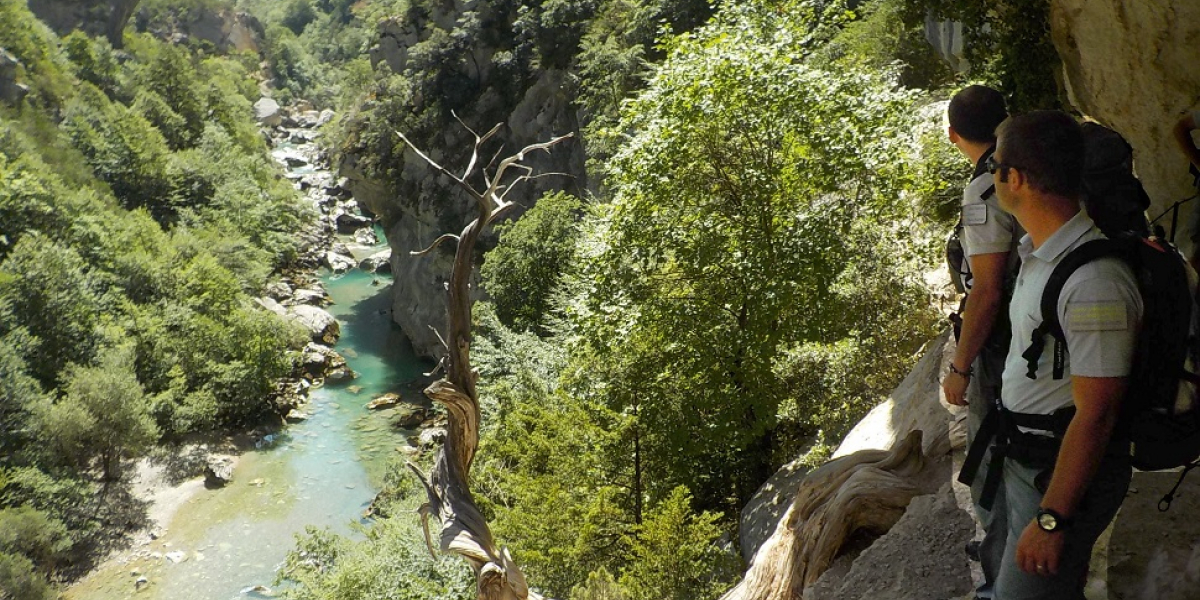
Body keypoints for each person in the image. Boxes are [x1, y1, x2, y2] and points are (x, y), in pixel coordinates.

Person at [988, 110, 1141, 599]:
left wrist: (1052, 519)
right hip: (1028, 461)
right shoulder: (1041, 252)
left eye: (995, 164)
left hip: (1057, 478)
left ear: (1017, 178)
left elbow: (1098, 413)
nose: (991, 175)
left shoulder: (1094, 282)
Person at [942, 84, 1017, 600]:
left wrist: (961, 366)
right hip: (1040, 323)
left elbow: (987, 291)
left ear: (953, 135)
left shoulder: (985, 188)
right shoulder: (1030, 161)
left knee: (992, 449)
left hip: (1007, 337)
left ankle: (998, 567)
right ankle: (1000, 543)